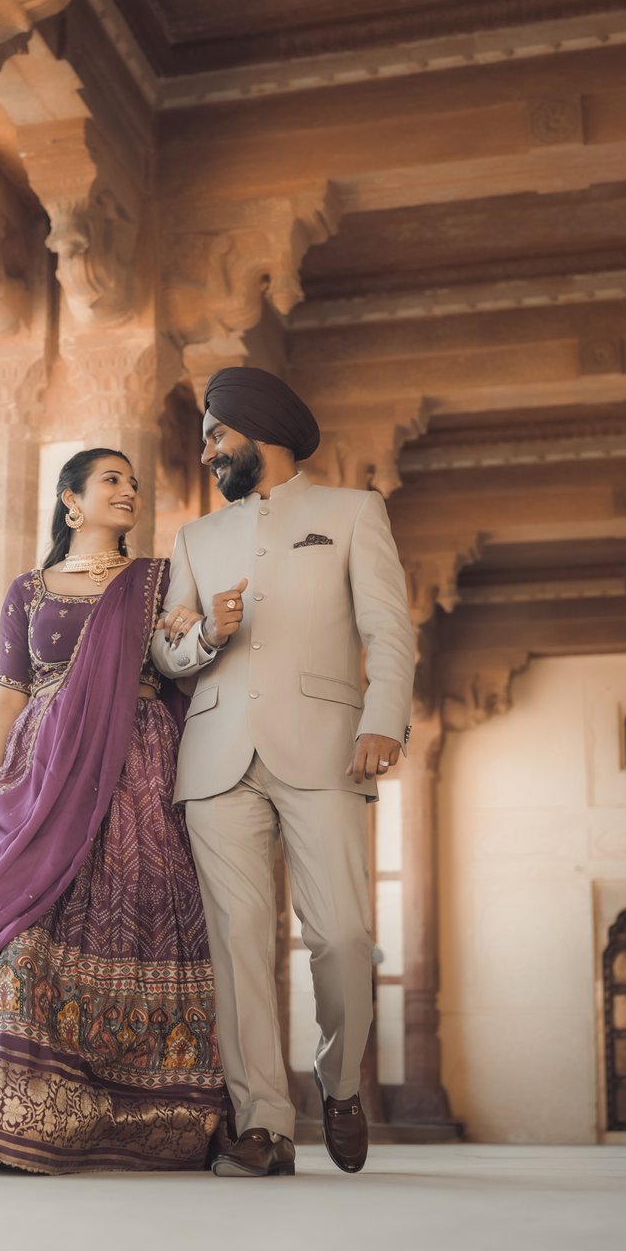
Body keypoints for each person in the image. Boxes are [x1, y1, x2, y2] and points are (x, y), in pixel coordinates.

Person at [0, 447, 228, 1174]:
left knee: (140, 918)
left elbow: (183, 657)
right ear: (72, 502)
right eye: (112, 480)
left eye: (133, 481)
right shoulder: (28, 590)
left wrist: (186, 624)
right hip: (42, 771)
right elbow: (8, 691)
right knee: (25, 925)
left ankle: (151, 1118)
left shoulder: (156, 579)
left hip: (135, 767)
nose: (129, 491)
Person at [151, 366, 415, 1178]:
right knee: (237, 944)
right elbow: (166, 646)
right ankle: (263, 1119)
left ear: (255, 430)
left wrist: (381, 720)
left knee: (341, 936)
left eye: (214, 435)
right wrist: (205, 636)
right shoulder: (194, 539)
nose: (205, 453)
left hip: (329, 747)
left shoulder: (352, 512)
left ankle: (339, 1084)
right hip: (218, 758)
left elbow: (390, 630)